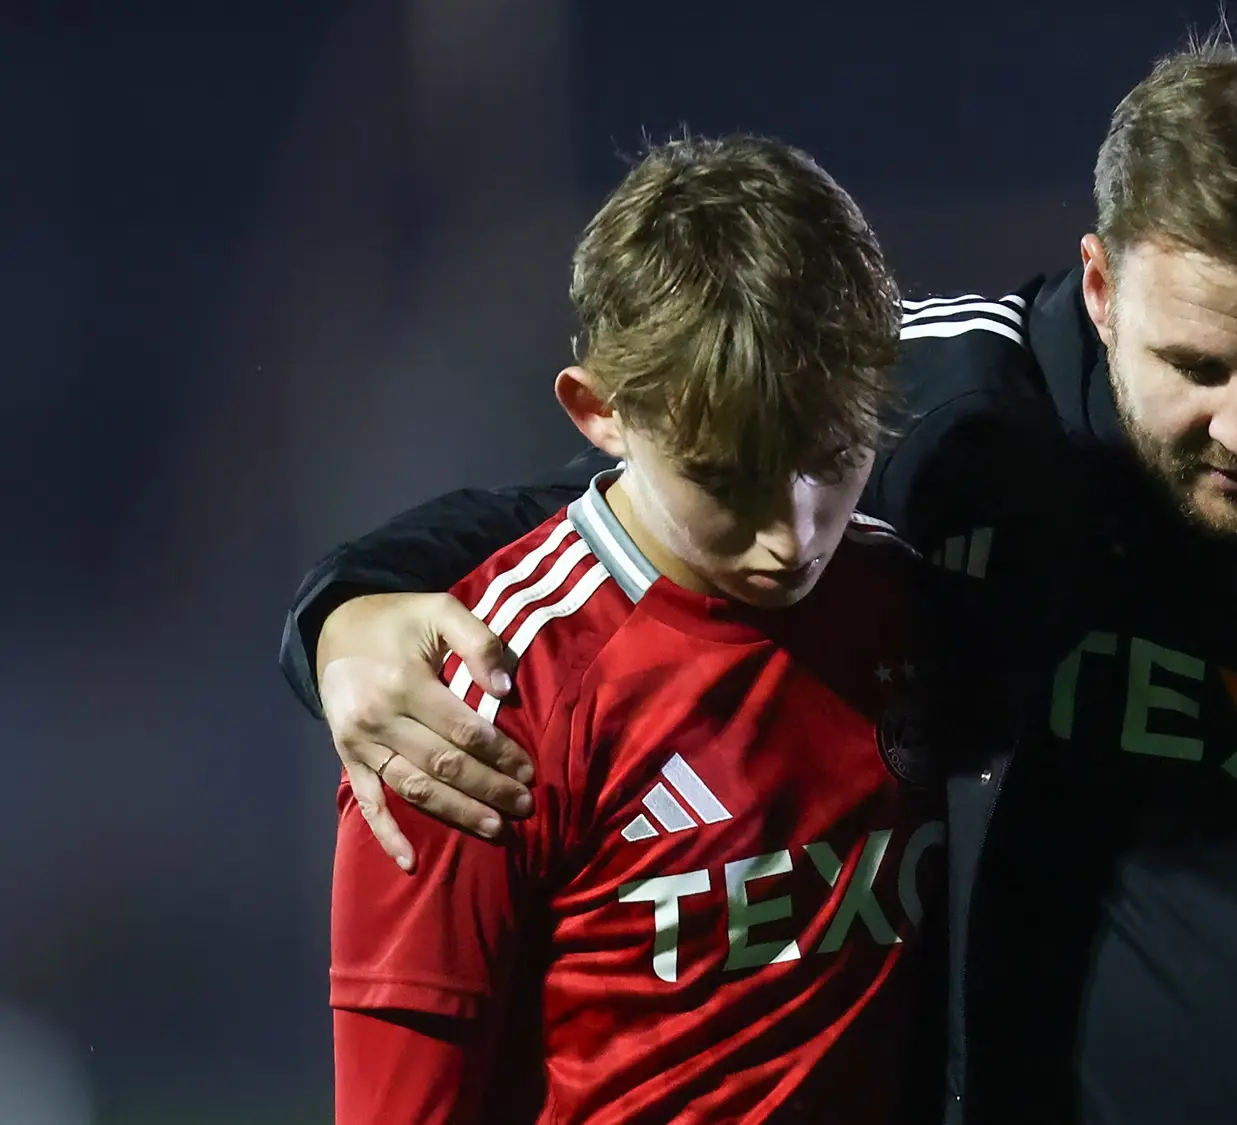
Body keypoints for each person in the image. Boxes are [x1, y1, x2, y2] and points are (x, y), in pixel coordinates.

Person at [286, 38, 1237, 1125]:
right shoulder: (953, 413)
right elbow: (639, 495)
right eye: (1194, 367)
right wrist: (346, 616)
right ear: (1101, 286)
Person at [325, 133, 945, 1124]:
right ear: (598, 412)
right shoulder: (474, 709)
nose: (792, 534)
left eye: (833, 453)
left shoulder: (919, 601)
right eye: (726, 478)